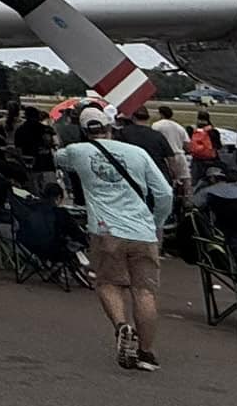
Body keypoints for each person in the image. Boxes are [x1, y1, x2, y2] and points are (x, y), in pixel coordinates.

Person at [55, 104, 174, 372]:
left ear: (84, 130)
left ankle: (121, 326)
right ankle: (146, 352)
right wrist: (156, 222)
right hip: (142, 230)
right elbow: (165, 193)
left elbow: (58, 156)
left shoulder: (77, 152)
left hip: (105, 230)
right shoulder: (138, 153)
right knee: (144, 291)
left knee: (109, 284)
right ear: (110, 126)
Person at [151, 105, 191, 189]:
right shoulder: (179, 127)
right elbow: (187, 145)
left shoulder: (156, 125)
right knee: (185, 183)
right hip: (180, 156)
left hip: (165, 158)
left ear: (161, 114)